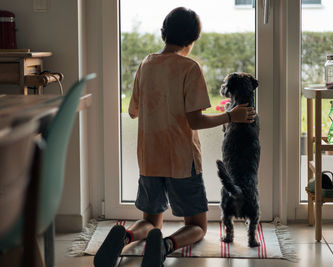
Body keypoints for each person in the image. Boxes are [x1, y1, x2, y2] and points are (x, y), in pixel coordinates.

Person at [94, 7, 256, 267]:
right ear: (192, 39)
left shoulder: (146, 64)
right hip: (182, 161)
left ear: (164, 33)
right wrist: (231, 116)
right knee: (198, 226)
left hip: (150, 158)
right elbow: (195, 120)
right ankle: (166, 245)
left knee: (149, 220)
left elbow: (133, 111)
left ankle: (125, 236)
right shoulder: (190, 68)